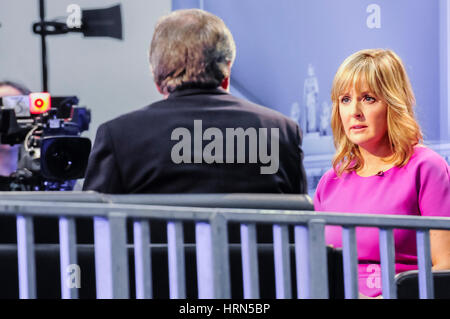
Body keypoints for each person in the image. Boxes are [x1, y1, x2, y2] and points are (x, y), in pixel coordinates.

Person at [83, 9, 307, 242]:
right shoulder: (281, 132)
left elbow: (90, 236)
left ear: (158, 77)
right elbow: (299, 231)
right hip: (260, 278)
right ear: (227, 70)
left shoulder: (120, 137)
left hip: (156, 278)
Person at [314, 49, 450, 298]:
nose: (354, 111)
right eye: (345, 99)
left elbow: (446, 267)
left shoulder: (426, 167)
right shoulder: (329, 181)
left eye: (368, 98)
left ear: (393, 103)